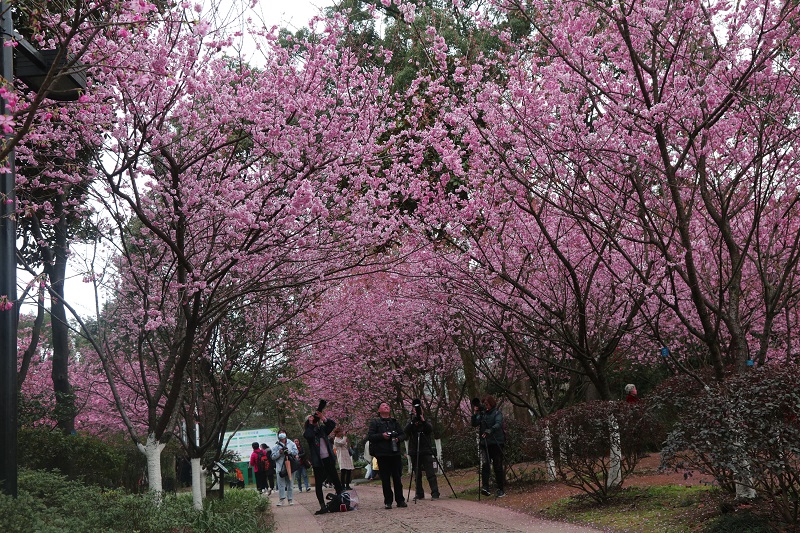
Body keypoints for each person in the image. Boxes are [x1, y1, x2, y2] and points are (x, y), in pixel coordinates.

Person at [304, 409, 343, 515]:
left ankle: (341, 500)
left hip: (328, 459)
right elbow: (309, 435)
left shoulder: (322, 430)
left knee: (335, 479)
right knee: (318, 484)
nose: (314, 420)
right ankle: (322, 506)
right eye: (311, 419)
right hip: (318, 461)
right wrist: (311, 423)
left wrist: (322, 417)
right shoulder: (308, 432)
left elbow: (332, 425)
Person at [368, 402, 407, 509]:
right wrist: (382, 436)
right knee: (385, 479)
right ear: (379, 410)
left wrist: (398, 438)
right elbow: (370, 436)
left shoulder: (394, 422)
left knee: (397, 478)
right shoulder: (375, 422)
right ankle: (388, 501)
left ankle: (400, 500)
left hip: (395, 453)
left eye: (388, 406)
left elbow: (403, 434)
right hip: (382, 454)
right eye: (383, 406)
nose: (386, 407)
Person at [472, 394, 506, 498]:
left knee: (497, 467)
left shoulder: (497, 413)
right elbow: (474, 424)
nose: (485, 406)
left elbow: (498, 424)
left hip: (496, 443)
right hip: (485, 443)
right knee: (485, 465)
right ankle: (485, 488)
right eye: (484, 404)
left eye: (487, 404)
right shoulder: (482, 415)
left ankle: (501, 489)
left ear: (491, 403)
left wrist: (490, 430)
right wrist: (475, 413)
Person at [404, 406, 440, 500]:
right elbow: (406, 432)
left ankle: (435, 492)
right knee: (417, 474)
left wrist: (423, 421)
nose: (416, 412)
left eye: (418, 410)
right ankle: (419, 493)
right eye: (414, 410)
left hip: (426, 449)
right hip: (414, 450)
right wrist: (412, 421)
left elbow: (430, 429)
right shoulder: (410, 421)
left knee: (430, 473)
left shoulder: (426, 419)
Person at [271, 429, 298, 506]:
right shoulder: (276, 446)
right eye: (280, 433)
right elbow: (273, 457)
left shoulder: (291, 443)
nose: (281, 435)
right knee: (281, 484)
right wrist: (279, 452)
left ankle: (290, 499)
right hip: (280, 466)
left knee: (290, 482)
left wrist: (289, 451)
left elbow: (296, 452)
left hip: (290, 465)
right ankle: (281, 499)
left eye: (283, 433)